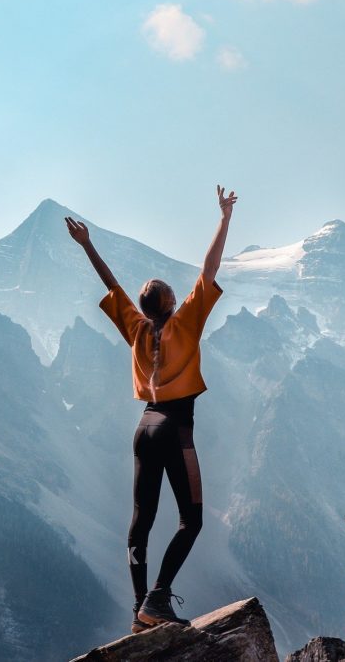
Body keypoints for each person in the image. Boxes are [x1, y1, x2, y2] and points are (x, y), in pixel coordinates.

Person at [64, 185, 236, 633]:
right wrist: (224, 217)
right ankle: (158, 598)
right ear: (173, 303)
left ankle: (140, 612)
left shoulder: (136, 330)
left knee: (141, 520)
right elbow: (210, 266)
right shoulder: (186, 323)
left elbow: (111, 284)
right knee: (191, 520)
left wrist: (88, 245)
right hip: (176, 428)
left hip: (143, 427)